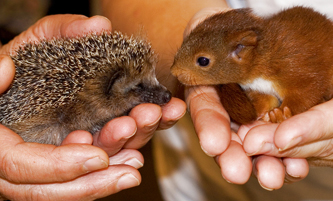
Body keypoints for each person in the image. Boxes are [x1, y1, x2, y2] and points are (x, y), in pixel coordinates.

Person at [101, 0, 333, 200]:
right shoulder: (250, 70)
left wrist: (290, 110)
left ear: (240, 53)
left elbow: (310, 85)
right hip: (204, 186)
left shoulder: (285, 63)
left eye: (202, 62)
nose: (176, 72)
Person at [0, 15, 186, 200]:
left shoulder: (96, 97)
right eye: (139, 87)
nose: (164, 93)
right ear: (109, 88)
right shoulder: (72, 104)